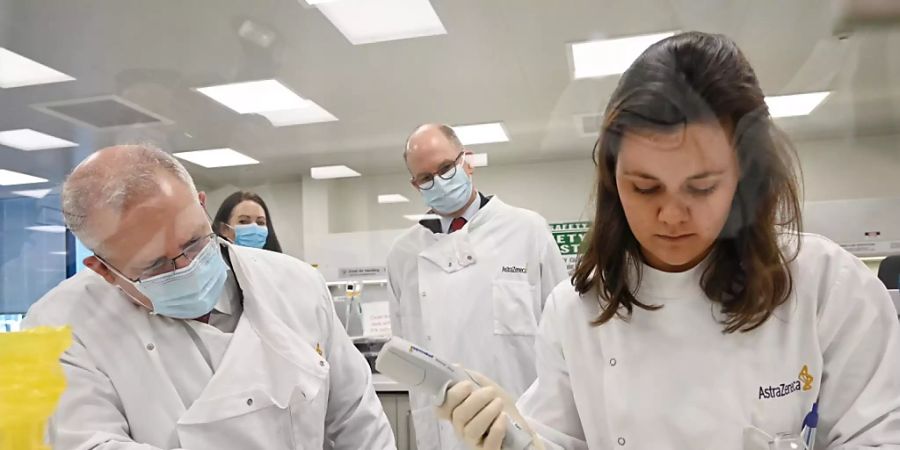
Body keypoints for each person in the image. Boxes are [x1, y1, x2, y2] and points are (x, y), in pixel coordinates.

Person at [436, 32, 900, 450]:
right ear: (612, 180)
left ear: (746, 176)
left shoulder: (829, 289)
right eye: (644, 187)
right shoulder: (576, 311)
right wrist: (516, 437)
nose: (672, 215)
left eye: (701, 187)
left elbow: (878, 435)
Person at [22, 145, 395, 450]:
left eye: (194, 243)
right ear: (103, 269)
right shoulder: (56, 326)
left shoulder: (295, 283)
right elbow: (89, 443)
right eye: (156, 265)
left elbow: (359, 421)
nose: (186, 268)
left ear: (202, 206)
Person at [386, 124, 568, 450]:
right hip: (443, 430)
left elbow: (565, 335)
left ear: (467, 161)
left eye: (445, 168)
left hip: (526, 426)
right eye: (426, 178)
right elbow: (408, 354)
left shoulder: (527, 230)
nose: (438, 181)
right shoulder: (403, 255)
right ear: (416, 185)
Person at [212, 191, 283, 252]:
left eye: (260, 222)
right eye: (243, 221)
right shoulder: (214, 266)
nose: (254, 227)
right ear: (224, 229)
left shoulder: (280, 265)